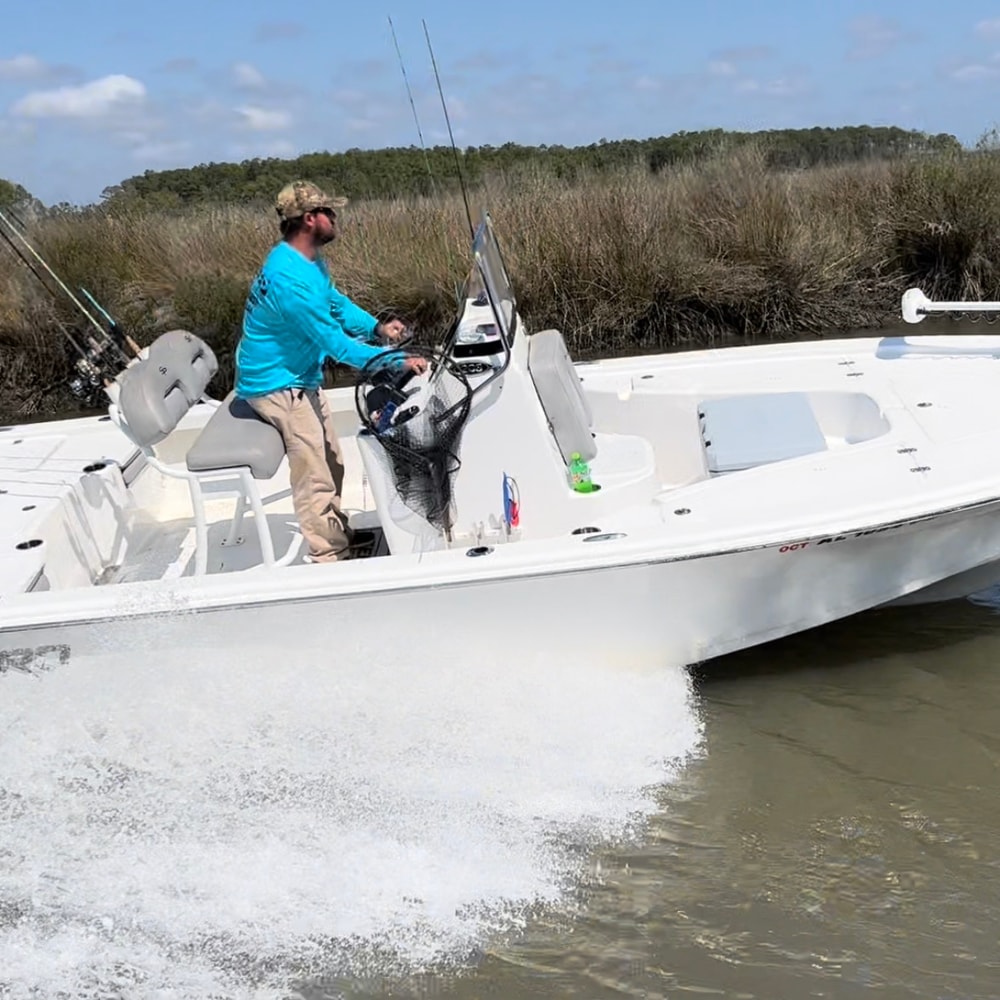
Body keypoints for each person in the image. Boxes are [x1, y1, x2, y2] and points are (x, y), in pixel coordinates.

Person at [235, 180, 427, 563]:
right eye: (329, 212)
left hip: (301, 375)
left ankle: (337, 534)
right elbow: (336, 345)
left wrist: (376, 328)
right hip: (276, 384)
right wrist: (395, 361)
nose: (335, 218)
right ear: (310, 219)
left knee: (334, 461)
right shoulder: (289, 282)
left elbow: (335, 304)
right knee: (315, 474)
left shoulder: (306, 261)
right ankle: (328, 557)